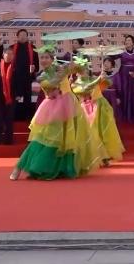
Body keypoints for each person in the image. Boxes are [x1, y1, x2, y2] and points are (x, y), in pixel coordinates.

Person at [11, 51, 101, 180]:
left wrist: (77, 66)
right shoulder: (41, 76)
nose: (44, 60)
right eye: (42, 58)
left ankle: (62, 168)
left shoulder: (61, 68)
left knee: (68, 139)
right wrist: (63, 73)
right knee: (42, 138)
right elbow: (51, 84)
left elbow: (81, 69)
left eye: (47, 57)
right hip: (52, 109)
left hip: (70, 106)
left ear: (52, 59)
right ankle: (19, 167)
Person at [111, 35, 134, 123]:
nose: (127, 42)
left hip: (133, 78)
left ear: (133, 43)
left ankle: (133, 116)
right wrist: (109, 50)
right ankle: (124, 116)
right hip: (123, 76)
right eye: (126, 40)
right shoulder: (122, 52)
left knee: (133, 95)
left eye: (129, 40)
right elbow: (112, 57)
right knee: (123, 93)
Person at [8, 29, 38, 121]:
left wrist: (34, 69)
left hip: (27, 76)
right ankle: (13, 116)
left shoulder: (33, 48)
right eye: (21, 35)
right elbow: (7, 62)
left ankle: (27, 116)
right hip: (15, 77)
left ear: (27, 36)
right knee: (14, 97)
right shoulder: (11, 47)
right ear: (17, 37)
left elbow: (36, 63)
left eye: (24, 35)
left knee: (27, 97)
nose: (23, 37)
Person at [0, 48, 16, 146]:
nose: (9, 56)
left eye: (11, 54)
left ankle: (8, 140)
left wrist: (18, 94)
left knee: (9, 120)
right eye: (7, 54)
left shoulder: (15, 66)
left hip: (11, 97)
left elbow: (19, 81)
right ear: (3, 55)